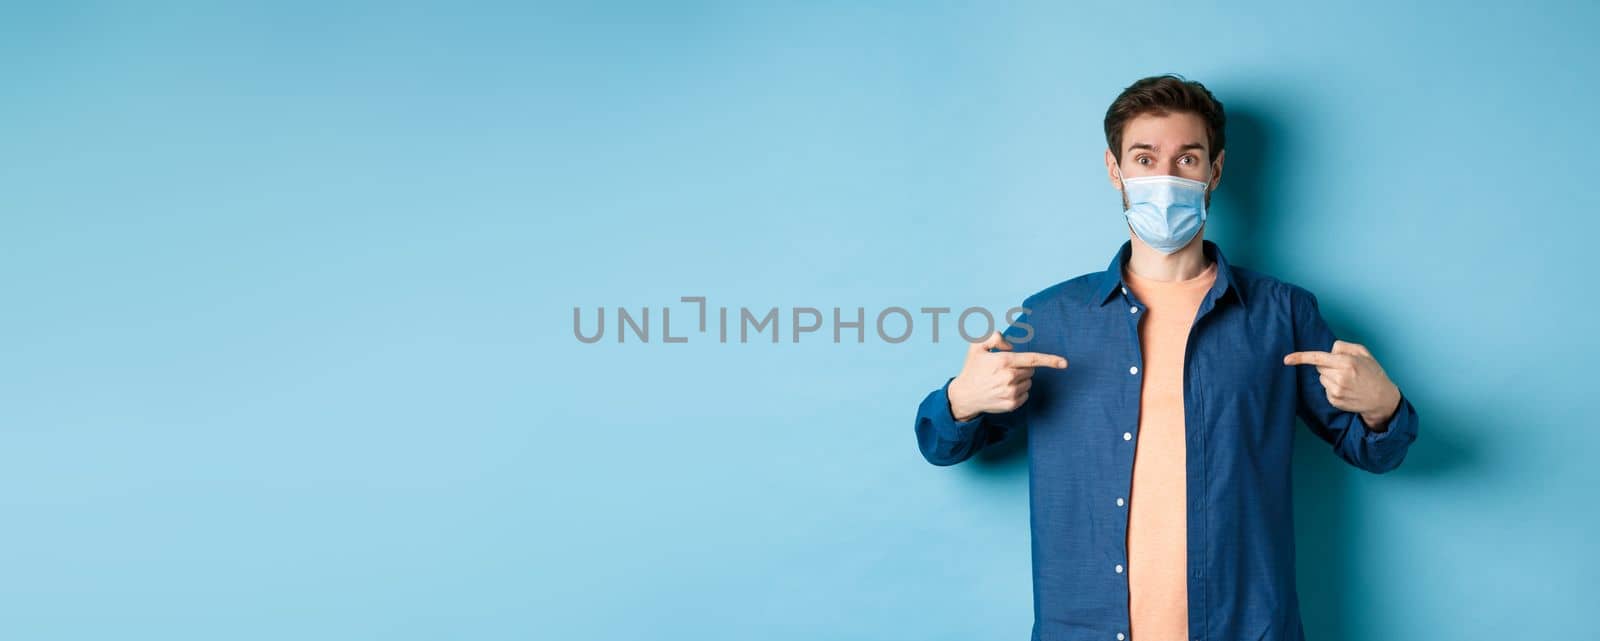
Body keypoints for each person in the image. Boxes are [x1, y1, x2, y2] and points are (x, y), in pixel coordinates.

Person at [911, 74, 1419, 641]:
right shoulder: (1052, 318)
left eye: (1187, 159)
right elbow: (940, 444)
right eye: (1145, 158)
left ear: (1215, 171)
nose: (1165, 178)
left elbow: (1376, 451)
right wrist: (961, 399)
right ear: (1115, 170)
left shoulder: (1282, 315)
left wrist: (1383, 406)